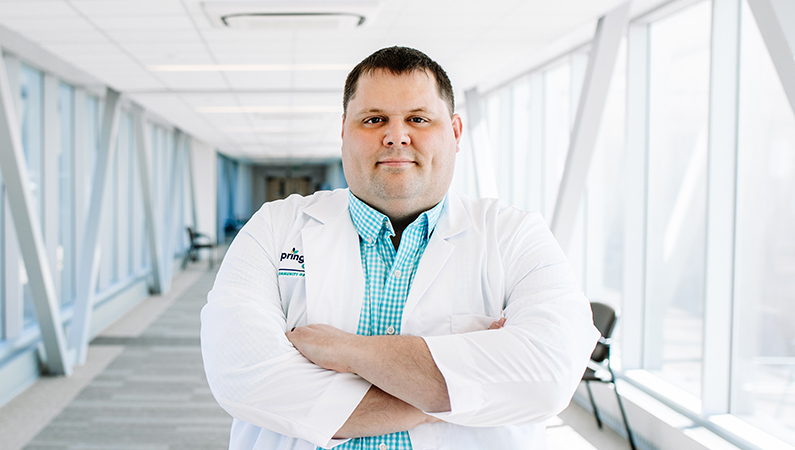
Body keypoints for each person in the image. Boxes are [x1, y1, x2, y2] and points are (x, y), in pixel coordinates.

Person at [201, 46, 600, 450]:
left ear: (456, 132)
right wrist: (458, 387)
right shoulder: (275, 227)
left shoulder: (515, 235)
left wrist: (346, 350)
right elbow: (244, 374)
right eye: (374, 120)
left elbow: (547, 376)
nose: (396, 135)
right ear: (344, 131)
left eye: (418, 119)